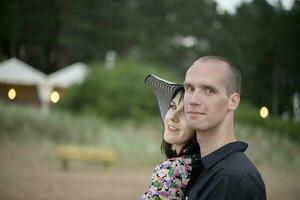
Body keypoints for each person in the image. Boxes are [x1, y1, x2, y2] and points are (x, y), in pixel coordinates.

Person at [183, 56, 266, 200]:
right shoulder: (206, 166)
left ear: (233, 102)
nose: (193, 100)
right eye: (189, 89)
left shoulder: (229, 178)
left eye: (209, 90)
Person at [141, 74, 200, 200]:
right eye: (173, 106)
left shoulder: (171, 170)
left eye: (185, 112)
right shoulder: (202, 165)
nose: (173, 116)